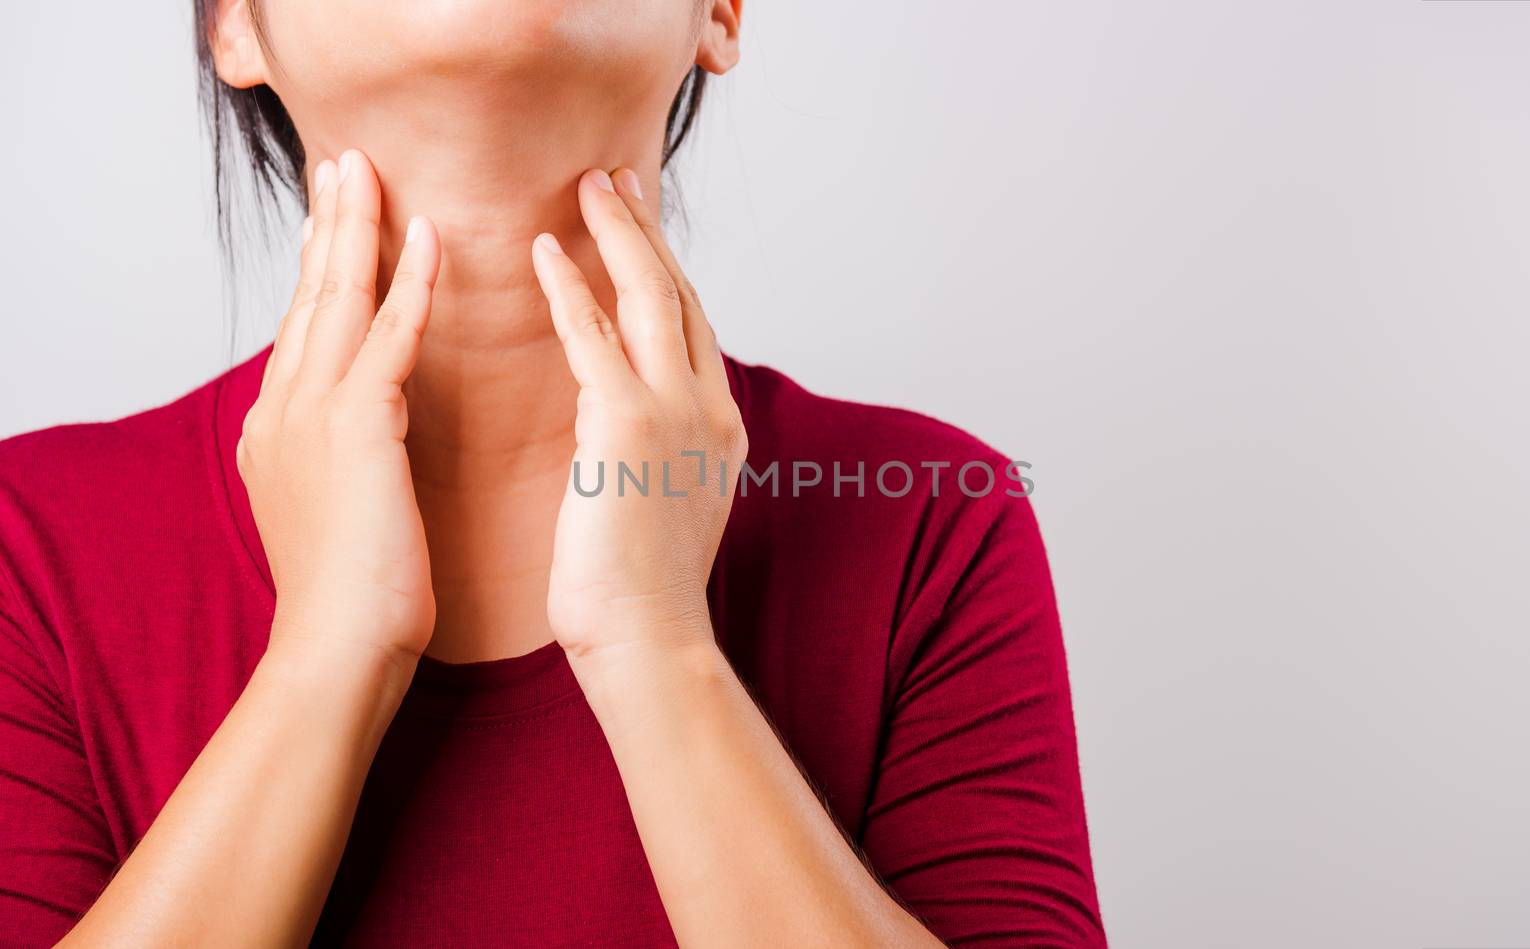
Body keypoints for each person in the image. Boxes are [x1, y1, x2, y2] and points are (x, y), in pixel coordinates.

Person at [0, 1, 1104, 945]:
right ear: (233, 22)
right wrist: (323, 656)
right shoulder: (30, 542)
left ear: (718, 11)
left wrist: (656, 646)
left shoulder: (925, 520)